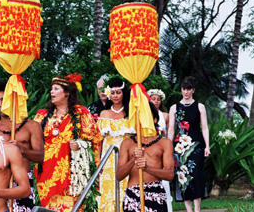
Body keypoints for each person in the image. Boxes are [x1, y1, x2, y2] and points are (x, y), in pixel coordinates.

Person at [33, 74, 103, 211]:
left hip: (71, 173)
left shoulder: (80, 113)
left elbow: (95, 138)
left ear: (66, 93)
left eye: (56, 89)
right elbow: (32, 139)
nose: (51, 92)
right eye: (51, 89)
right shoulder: (42, 114)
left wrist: (81, 145)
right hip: (46, 171)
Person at [0, 81, 44, 211]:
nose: (0, 104)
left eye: (3, 100)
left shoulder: (32, 126)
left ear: (13, 100)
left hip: (23, 181)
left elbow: (40, 157)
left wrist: (23, 150)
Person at [116, 102, 174, 212]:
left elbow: (170, 175)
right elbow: (119, 176)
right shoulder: (127, 143)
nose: (142, 120)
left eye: (146, 116)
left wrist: (147, 168)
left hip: (156, 193)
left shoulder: (164, 143)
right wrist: (133, 160)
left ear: (155, 119)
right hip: (133, 193)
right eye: (140, 117)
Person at [167, 77, 210, 212]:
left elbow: (204, 127)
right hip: (180, 147)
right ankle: (188, 210)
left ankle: (197, 209)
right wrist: (168, 148)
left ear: (193, 90)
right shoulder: (174, 108)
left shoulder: (200, 106)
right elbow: (171, 129)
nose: (186, 92)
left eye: (188, 89)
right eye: (183, 89)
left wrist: (207, 146)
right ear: (181, 90)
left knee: (196, 174)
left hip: (197, 145)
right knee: (182, 176)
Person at [97, 77, 136, 212]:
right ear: (109, 94)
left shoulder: (131, 113)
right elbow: (99, 140)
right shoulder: (104, 113)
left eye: (118, 92)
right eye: (112, 93)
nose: (115, 96)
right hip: (107, 159)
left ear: (123, 93)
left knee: (126, 188)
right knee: (109, 189)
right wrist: (98, 160)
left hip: (127, 158)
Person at [147, 88, 172, 211]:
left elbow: (169, 132)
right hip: (149, 149)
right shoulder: (145, 115)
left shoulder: (165, 116)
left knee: (164, 179)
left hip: (162, 147)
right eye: (153, 99)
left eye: (158, 99)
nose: (156, 101)